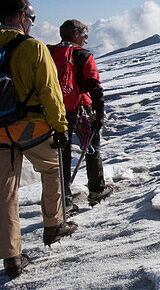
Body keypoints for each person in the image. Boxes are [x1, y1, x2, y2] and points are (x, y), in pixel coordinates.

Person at [0, 0, 77, 279]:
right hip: (31, 128)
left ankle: (11, 257)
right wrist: (60, 127)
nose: (33, 23)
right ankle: (53, 225)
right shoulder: (33, 47)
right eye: (32, 18)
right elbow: (50, 90)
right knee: (53, 170)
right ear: (22, 17)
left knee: (4, 192)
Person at [48, 19, 113, 211]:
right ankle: (96, 189)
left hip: (56, 111)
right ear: (75, 34)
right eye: (84, 36)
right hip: (81, 109)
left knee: (62, 156)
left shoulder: (49, 54)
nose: (86, 40)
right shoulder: (83, 55)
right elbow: (94, 86)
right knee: (92, 149)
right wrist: (100, 114)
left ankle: (65, 201)